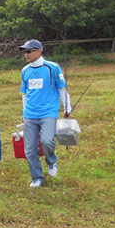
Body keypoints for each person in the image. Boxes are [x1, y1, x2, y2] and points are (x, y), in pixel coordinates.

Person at [19, 39, 71, 188]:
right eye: (25, 51)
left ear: (39, 51)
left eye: (29, 51)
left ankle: (51, 161)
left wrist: (68, 108)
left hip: (48, 112)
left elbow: (62, 89)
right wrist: (24, 113)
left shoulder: (52, 68)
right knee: (29, 149)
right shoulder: (25, 71)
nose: (26, 54)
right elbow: (24, 93)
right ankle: (37, 177)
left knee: (47, 141)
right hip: (30, 114)